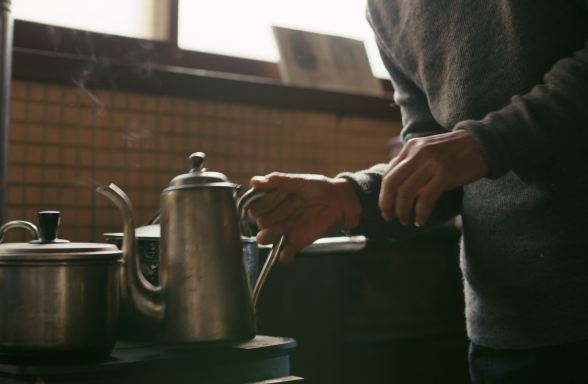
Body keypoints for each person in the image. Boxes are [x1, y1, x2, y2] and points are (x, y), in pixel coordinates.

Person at [247, 1, 588, 383]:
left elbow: (471, 148)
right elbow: (436, 155)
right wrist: (350, 197)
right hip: (507, 331)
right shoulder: (385, 10)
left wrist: (486, 143)